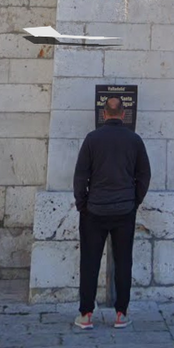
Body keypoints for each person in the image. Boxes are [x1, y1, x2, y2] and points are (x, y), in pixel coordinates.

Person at [72, 94, 151, 329]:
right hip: (124, 210)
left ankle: (86, 314)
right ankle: (121, 314)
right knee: (123, 261)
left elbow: (80, 176)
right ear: (123, 115)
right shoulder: (134, 140)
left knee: (89, 262)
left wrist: (82, 204)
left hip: (94, 211)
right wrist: (134, 200)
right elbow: (144, 175)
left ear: (104, 114)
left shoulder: (92, 139)